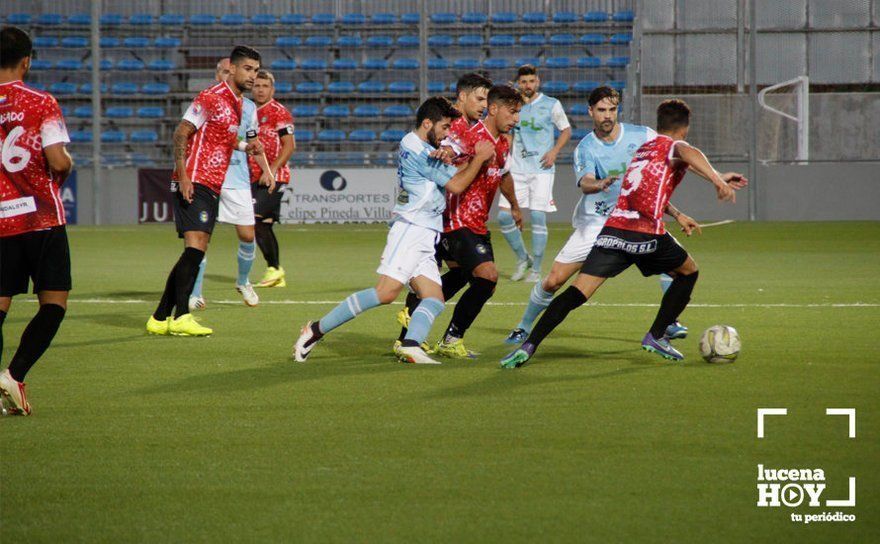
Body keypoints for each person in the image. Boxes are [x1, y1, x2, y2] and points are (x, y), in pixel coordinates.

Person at [501, 99, 748, 368]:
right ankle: (656, 334)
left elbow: (645, 189)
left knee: (576, 293)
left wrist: (682, 210)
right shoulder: (675, 146)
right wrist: (717, 180)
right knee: (689, 272)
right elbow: (689, 154)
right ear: (685, 127)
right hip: (645, 233)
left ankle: (529, 345)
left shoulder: (644, 150)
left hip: (613, 231)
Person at [293, 97, 495, 365]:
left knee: (434, 298)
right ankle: (314, 331)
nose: (447, 135)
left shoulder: (421, 145)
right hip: (411, 228)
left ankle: (411, 345)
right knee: (386, 293)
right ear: (427, 123)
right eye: (444, 128)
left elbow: (451, 169)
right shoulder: (418, 150)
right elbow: (457, 185)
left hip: (426, 232)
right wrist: (479, 158)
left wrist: (449, 155)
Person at [504, 86, 698, 345]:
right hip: (597, 221)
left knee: (674, 264)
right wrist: (600, 183)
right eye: (601, 110)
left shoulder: (643, 136)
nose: (607, 115)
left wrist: (676, 213)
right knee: (554, 280)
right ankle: (524, 326)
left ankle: (669, 323)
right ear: (591, 112)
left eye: (612, 109)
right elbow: (585, 183)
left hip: (636, 219)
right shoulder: (586, 148)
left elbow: (664, 172)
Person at [145, 45, 272, 337]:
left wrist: (244, 146)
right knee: (194, 250)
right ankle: (181, 316)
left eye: (256, 70)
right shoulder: (210, 97)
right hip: (196, 179)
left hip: (212, 182)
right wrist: (185, 176)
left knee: (194, 251)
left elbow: (219, 140)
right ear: (233, 69)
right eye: (248, 69)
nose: (252, 76)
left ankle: (160, 316)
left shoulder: (238, 103)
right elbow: (182, 132)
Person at [0, 26, 74, 415]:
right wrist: (65, 168)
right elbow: (58, 159)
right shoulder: (41, 102)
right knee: (54, 303)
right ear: (27, 61)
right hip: (40, 217)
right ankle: (14, 373)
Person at [428, 85, 524, 359]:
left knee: (470, 279)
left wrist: (515, 206)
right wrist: (443, 153)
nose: (515, 119)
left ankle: (418, 311)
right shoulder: (470, 136)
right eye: (512, 112)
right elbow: (447, 154)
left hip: (477, 224)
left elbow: (503, 175)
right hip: (457, 222)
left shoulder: (503, 143)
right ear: (494, 109)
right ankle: (448, 337)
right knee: (487, 277)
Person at [188, 57, 275, 311]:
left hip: (237, 180)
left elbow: (253, 141)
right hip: (208, 177)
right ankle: (195, 293)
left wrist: (267, 170)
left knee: (248, 235)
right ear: (219, 75)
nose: (229, 75)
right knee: (201, 237)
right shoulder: (207, 101)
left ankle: (243, 281)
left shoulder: (248, 108)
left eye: (231, 71)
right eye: (225, 72)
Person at [500, 65, 572, 282]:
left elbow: (566, 130)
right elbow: (507, 132)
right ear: (519, 83)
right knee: (504, 217)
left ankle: (536, 270)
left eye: (531, 81)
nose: (527, 85)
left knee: (538, 217)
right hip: (516, 169)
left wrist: (554, 151)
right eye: (523, 82)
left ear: (537, 82)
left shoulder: (551, 104)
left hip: (542, 169)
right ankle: (524, 259)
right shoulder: (514, 106)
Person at [248, 70, 295, 288]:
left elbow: (289, 145)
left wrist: (272, 170)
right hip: (253, 176)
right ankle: (276, 272)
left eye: (265, 86)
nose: (260, 90)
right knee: (264, 224)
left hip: (274, 177)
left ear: (272, 90)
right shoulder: (246, 111)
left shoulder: (278, 112)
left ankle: (274, 269)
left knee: (255, 221)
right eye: (257, 85)